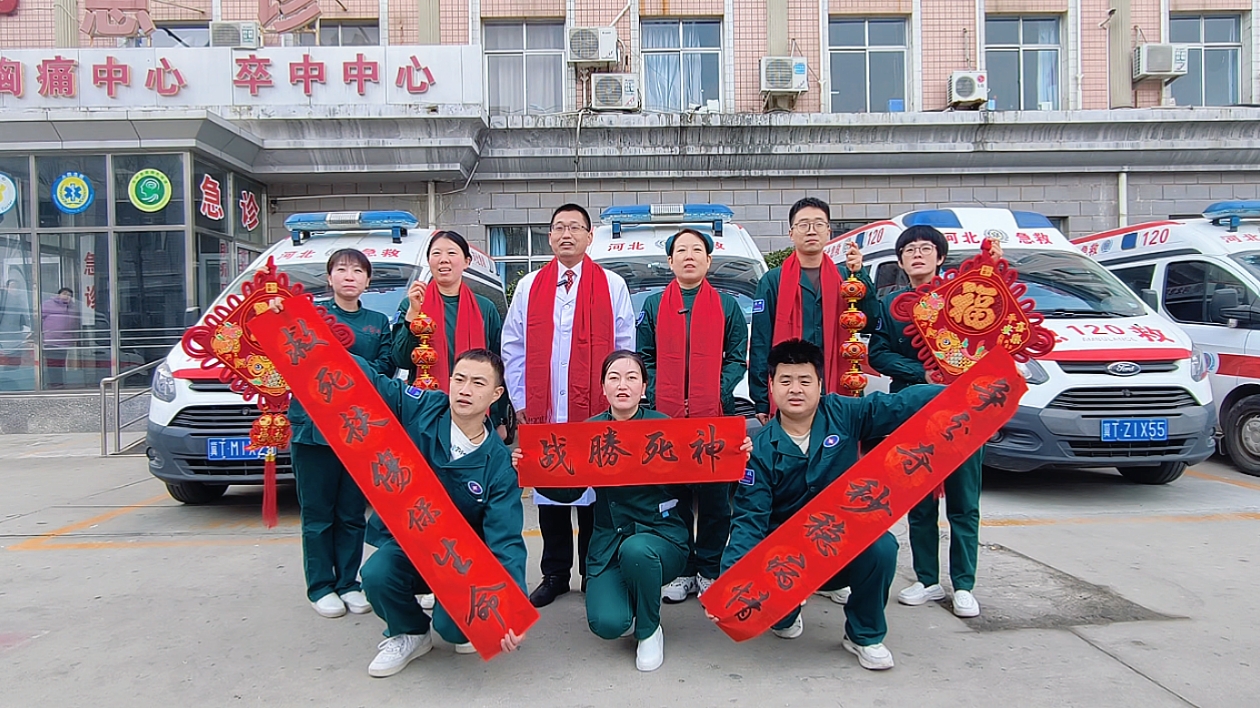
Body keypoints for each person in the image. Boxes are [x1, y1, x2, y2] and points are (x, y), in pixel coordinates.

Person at [514, 350, 751, 672]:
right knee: (607, 624)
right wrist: (534, 470)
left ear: (644, 387)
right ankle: (632, 602)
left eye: (631, 378)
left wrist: (732, 455)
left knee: (638, 551)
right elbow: (569, 491)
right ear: (603, 388)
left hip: (661, 537)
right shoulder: (590, 431)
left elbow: (700, 479)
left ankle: (650, 630)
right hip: (609, 541)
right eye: (614, 378)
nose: (622, 385)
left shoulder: (664, 427)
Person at [720, 339, 941, 671]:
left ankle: (863, 635)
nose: (795, 389)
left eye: (805, 380)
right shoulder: (759, 449)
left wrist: (961, 389)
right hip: (787, 560)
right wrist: (729, 586)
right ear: (771, 386)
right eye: (785, 380)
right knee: (781, 623)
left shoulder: (844, 413)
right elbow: (748, 523)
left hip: (840, 547)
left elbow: (900, 404)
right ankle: (787, 612)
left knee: (882, 546)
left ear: (820, 384)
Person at [355, 348, 528, 677]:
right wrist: (316, 341)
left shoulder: (499, 464)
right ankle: (409, 632)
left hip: (461, 561)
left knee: (454, 630)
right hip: (414, 543)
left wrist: (512, 611)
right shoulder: (423, 408)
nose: (465, 390)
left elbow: (506, 541)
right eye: (459, 379)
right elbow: (373, 382)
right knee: (377, 574)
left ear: (496, 394)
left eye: (478, 383)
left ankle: (447, 609)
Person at [501, 203, 636, 608]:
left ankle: (594, 573)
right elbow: (513, 346)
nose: (566, 234)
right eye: (559, 227)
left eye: (575, 227)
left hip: (594, 408)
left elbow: (625, 347)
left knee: (596, 494)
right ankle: (555, 574)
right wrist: (521, 400)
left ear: (589, 236)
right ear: (549, 236)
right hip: (544, 408)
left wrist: (619, 400)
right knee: (550, 494)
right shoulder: (529, 286)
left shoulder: (612, 285)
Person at [863, 225, 997, 619]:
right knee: (919, 499)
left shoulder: (963, 298)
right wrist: (922, 374)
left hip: (965, 411)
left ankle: (964, 584)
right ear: (900, 261)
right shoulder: (891, 305)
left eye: (925, 249)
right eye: (909, 250)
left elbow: (989, 344)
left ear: (940, 257)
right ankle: (926, 578)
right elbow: (879, 354)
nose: (917, 255)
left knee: (963, 502)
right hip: (912, 410)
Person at [635, 228, 748, 603]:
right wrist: (655, 392)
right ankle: (682, 570)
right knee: (674, 497)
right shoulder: (654, 305)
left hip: (714, 416)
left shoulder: (727, 306)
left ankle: (709, 569)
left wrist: (717, 390)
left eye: (696, 250)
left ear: (708, 260)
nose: (688, 256)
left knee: (716, 500)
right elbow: (644, 357)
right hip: (665, 418)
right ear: (670, 262)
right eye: (680, 250)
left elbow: (736, 357)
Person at [288, 249, 394, 619]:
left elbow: (384, 367)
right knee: (318, 513)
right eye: (342, 269)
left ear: (368, 280)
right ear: (329, 276)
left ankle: (349, 582)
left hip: (357, 428)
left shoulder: (377, 322)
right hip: (313, 429)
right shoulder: (310, 317)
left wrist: (347, 365)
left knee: (351, 511)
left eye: (358, 271)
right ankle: (320, 586)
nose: (350, 276)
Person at [749, 198, 873, 424]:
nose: (811, 231)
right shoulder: (773, 281)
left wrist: (861, 274)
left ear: (828, 231)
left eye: (818, 224)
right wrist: (761, 399)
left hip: (840, 384)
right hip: (792, 389)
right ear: (791, 233)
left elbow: (871, 320)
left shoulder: (847, 278)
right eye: (804, 224)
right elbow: (760, 341)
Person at [40, 287, 76, 388]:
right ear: (58, 295)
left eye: (69, 295)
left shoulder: (72, 307)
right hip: (51, 340)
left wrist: (73, 337)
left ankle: (59, 383)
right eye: (64, 294)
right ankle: (54, 384)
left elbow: (75, 323)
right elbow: (38, 318)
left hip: (64, 341)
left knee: (61, 363)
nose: (66, 296)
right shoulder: (48, 304)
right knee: (52, 363)